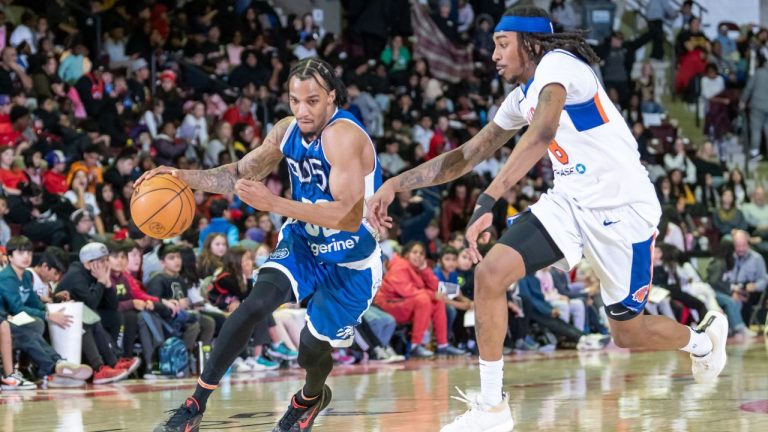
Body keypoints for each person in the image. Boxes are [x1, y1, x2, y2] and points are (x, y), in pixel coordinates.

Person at [366, 7, 728, 431]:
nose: (494, 54)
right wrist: (396, 184)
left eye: (503, 44)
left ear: (531, 43)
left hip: (623, 209)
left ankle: (702, 342)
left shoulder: (559, 65)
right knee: (490, 274)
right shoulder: (521, 96)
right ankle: (492, 408)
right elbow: (467, 154)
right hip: (569, 204)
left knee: (627, 332)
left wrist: (488, 199)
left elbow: (542, 133)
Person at [142, 57, 382, 432]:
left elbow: (349, 216)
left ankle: (310, 397)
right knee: (256, 304)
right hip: (304, 241)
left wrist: (273, 204)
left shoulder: (344, 137)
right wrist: (180, 177)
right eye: (294, 100)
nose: (302, 110)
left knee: (311, 350)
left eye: (313, 101)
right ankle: (195, 404)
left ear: (332, 97)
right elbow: (238, 173)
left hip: (350, 258)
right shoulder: (286, 132)